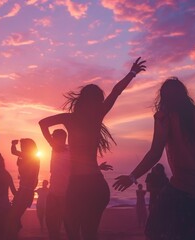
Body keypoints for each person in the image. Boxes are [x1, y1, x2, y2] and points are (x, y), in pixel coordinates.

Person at [39, 57, 146, 239]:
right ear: (95, 101)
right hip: (96, 185)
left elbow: (43, 123)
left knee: (74, 232)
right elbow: (116, 91)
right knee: (88, 233)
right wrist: (132, 73)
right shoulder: (96, 116)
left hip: (79, 185)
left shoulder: (70, 118)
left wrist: (52, 143)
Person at [113, 77, 195, 240]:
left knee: (153, 231)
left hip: (183, 187)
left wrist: (132, 177)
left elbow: (155, 153)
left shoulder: (164, 117)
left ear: (163, 97)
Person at [4, 138, 40, 239]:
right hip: (23, 190)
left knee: (13, 216)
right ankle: (14, 233)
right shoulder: (28, 157)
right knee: (14, 216)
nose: (22, 148)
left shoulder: (31, 157)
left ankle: (13, 234)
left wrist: (13, 144)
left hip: (26, 191)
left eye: (24, 147)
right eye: (22, 147)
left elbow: (13, 151)